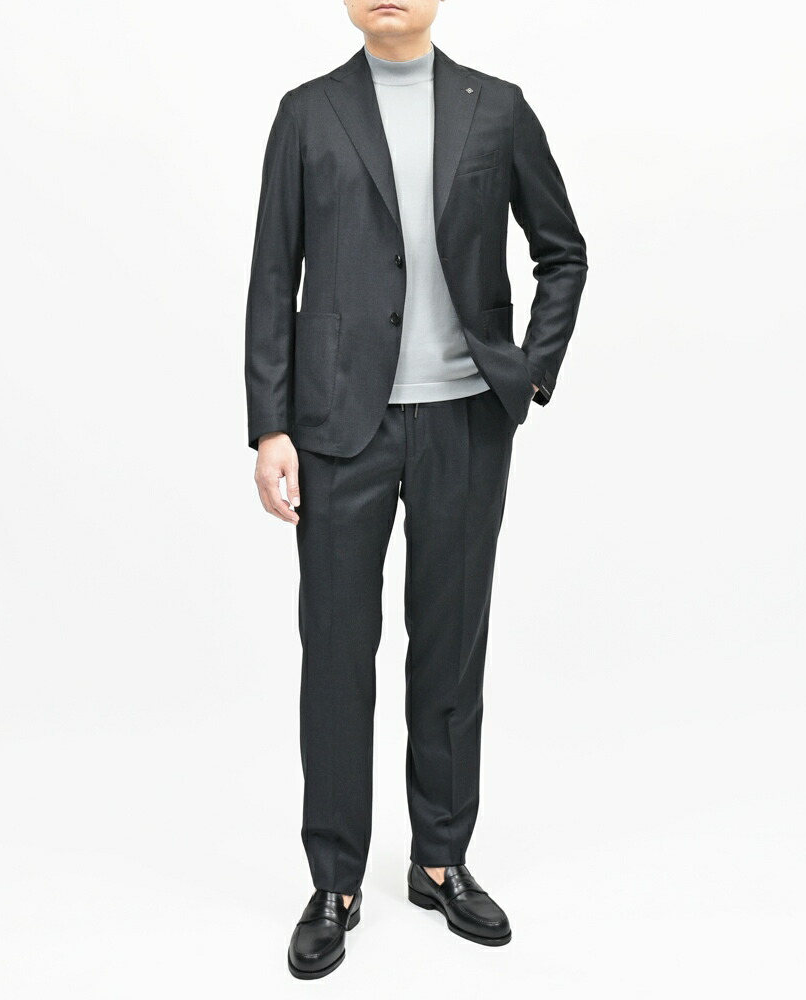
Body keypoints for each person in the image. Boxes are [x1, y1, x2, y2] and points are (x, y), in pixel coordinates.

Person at [244, 0, 587, 979]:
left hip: (465, 425)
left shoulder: (497, 109)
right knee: (335, 655)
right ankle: (335, 881)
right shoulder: (306, 114)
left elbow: (562, 251)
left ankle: (440, 860)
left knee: (450, 647)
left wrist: (527, 373)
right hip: (335, 429)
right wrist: (270, 426)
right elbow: (273, 276)